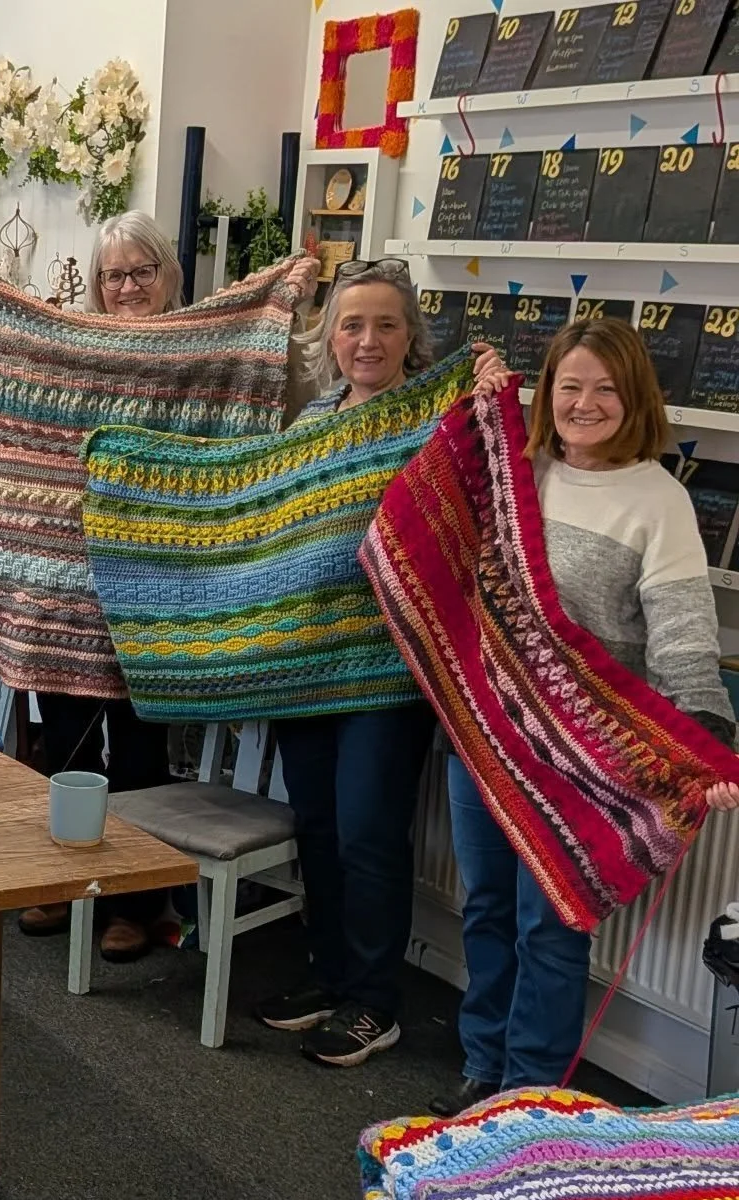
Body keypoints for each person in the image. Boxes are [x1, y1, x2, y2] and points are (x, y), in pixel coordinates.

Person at [429, 317, 739, 1114]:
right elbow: (436, 497)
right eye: (570, 385)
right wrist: (480, 399)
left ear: (634, 396)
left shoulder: (657, 499)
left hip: (579, 755)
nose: (585, 403)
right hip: (488, 734)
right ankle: (482, 1063)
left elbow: (680, 630)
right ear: (549, 393)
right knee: (489, 907)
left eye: (605, 387)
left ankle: (530, 1099)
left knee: (553, 925)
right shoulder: (520, 471)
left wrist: (704, 740)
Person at [253, 257, 504, 1067]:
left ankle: (373, 1001)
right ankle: (330, 975)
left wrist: (491, 396)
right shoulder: (312, 423)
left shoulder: (438, 419)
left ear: (411, 337)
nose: (368, 340)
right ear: (330, 338)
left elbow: (483, 499)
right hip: (308, 662)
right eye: (352, 325)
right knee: (319, 825)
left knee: (368, 831)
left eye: (386, 324)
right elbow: (275, 527)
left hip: (391, 668)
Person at [17, 211, 200, 961]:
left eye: (141, 272)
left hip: (153, 583)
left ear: (167, 276)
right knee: (62, 742)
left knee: (138, 750)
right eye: (113, 275)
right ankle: (66, 883)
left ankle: (135, 900)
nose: (126, 287)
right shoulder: (74, 353)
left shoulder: (198, 348)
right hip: (69, 577)